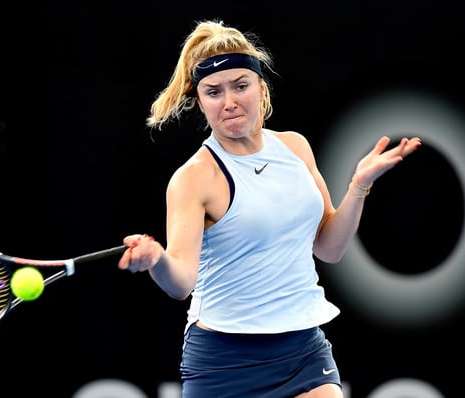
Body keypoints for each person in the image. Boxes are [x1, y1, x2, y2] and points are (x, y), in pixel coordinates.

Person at [117, 19, 422, 398]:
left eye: (240, 86)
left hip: (302, 349)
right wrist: (157, 259)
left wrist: (359, 184)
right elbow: (180, 283)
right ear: (200, 102)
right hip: (223, 362)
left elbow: (329, 247)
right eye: (213, 92)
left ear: (261, 89)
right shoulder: (194, 178)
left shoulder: (295, 148)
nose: (229, 102)